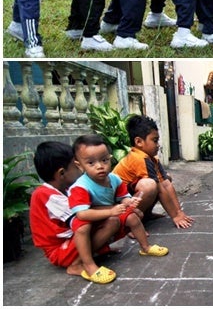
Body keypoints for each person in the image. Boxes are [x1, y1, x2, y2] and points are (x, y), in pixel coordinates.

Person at [68, 134, 168, 283]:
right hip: (88, 218)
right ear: (79, 165)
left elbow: (123, 197)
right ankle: (87, 265)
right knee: (82, 227)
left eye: (104, 160)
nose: (100, 166)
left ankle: (145, 247)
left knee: (133, 216)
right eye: (91, 163)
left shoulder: (114, 179)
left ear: (110, 158)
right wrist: (111, 211)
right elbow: (82, 214)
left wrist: (130, 201)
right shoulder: (81, 186)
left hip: (108, 213)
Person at [30, 141, 121, 282]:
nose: (81, 169)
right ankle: (78, 264)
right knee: (92, 222)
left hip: (70, 242)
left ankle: (96, 251)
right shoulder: (45, 194)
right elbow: (82, 214)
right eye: (76, 166)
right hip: (59, 251)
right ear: (62, 173)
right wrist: (114, 209)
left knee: (114, 219)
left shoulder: (66, 189)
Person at [113, 115, 194, 228]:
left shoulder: (152, 158)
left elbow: (166, 183)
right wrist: (175, 216)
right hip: (119, 203)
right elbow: (160, 190)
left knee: (166, 178)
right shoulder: (139, 158)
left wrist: (179, 212)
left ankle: (146, 214)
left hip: (132, 196)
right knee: (150, 185)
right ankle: (130, 224)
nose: (158, 145)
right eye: (154, 141)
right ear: (139, 142)